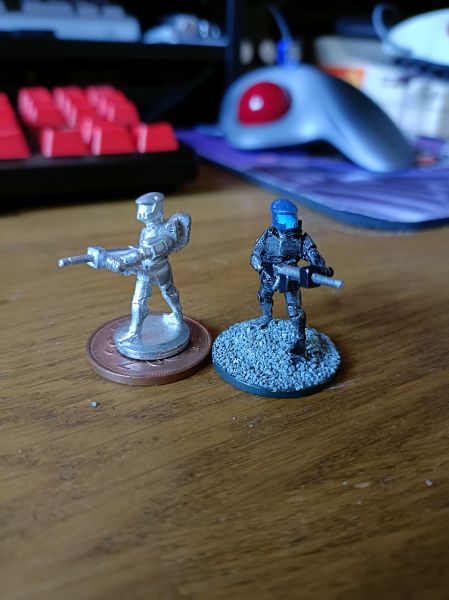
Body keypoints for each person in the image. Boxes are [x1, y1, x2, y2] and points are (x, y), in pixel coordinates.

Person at [250, 198, 333, 358]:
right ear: (276, 217)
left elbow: (314, 255)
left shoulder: (301, 239)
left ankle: (300, 340)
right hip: (270, 273)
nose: (290, 221)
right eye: (285, 217)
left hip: (290, 276)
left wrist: (318, 266)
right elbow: (255, 255)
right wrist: (261, 269)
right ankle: (266, 317)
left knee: (295, 310)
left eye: (291, 217)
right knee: (264, 295)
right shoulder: (268, 234)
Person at [105, 192, 191, 344]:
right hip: (146, 269)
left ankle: (177, 314)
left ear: (155, 209)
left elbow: (150, 250)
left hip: (159, 269)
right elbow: (140, 251)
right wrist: (125, 264)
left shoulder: (167, 229)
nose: (141, 214)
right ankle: (135, 332)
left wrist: (127, 261)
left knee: (167, 291)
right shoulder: (145, 231)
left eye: (145, 208)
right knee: (140, 300)